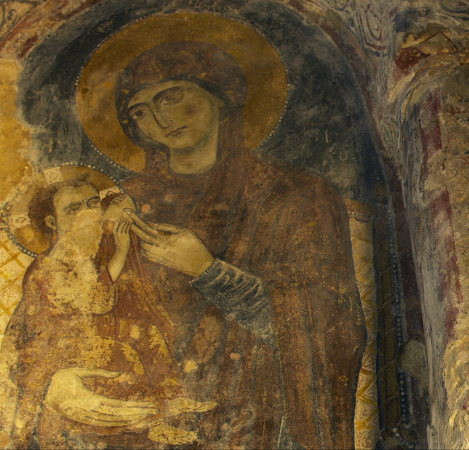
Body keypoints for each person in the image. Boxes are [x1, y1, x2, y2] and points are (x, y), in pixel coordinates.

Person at [36, 41, 365, 448]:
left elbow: (334, 331)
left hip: (250, 424)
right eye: (141, 112)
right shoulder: (117, 205)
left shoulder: (297, 195)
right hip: (129, 416)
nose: (161, 120)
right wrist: (54, 382)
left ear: (219, 96)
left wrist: (210, 272)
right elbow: (54, 310)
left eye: (171, 97)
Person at [0, 178, 215, 448]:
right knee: (122, 354)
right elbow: (98, 301)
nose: (87, 214)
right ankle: (153, 423)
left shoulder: (84, 251)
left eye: (92, 204)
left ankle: (172, 396)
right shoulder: (50, 264)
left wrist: (124, 223)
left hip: (89, 327)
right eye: (74, 209)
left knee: (145, 331)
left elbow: (102, 294)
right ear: (53, 222)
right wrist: (121, 249)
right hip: (61, 341)